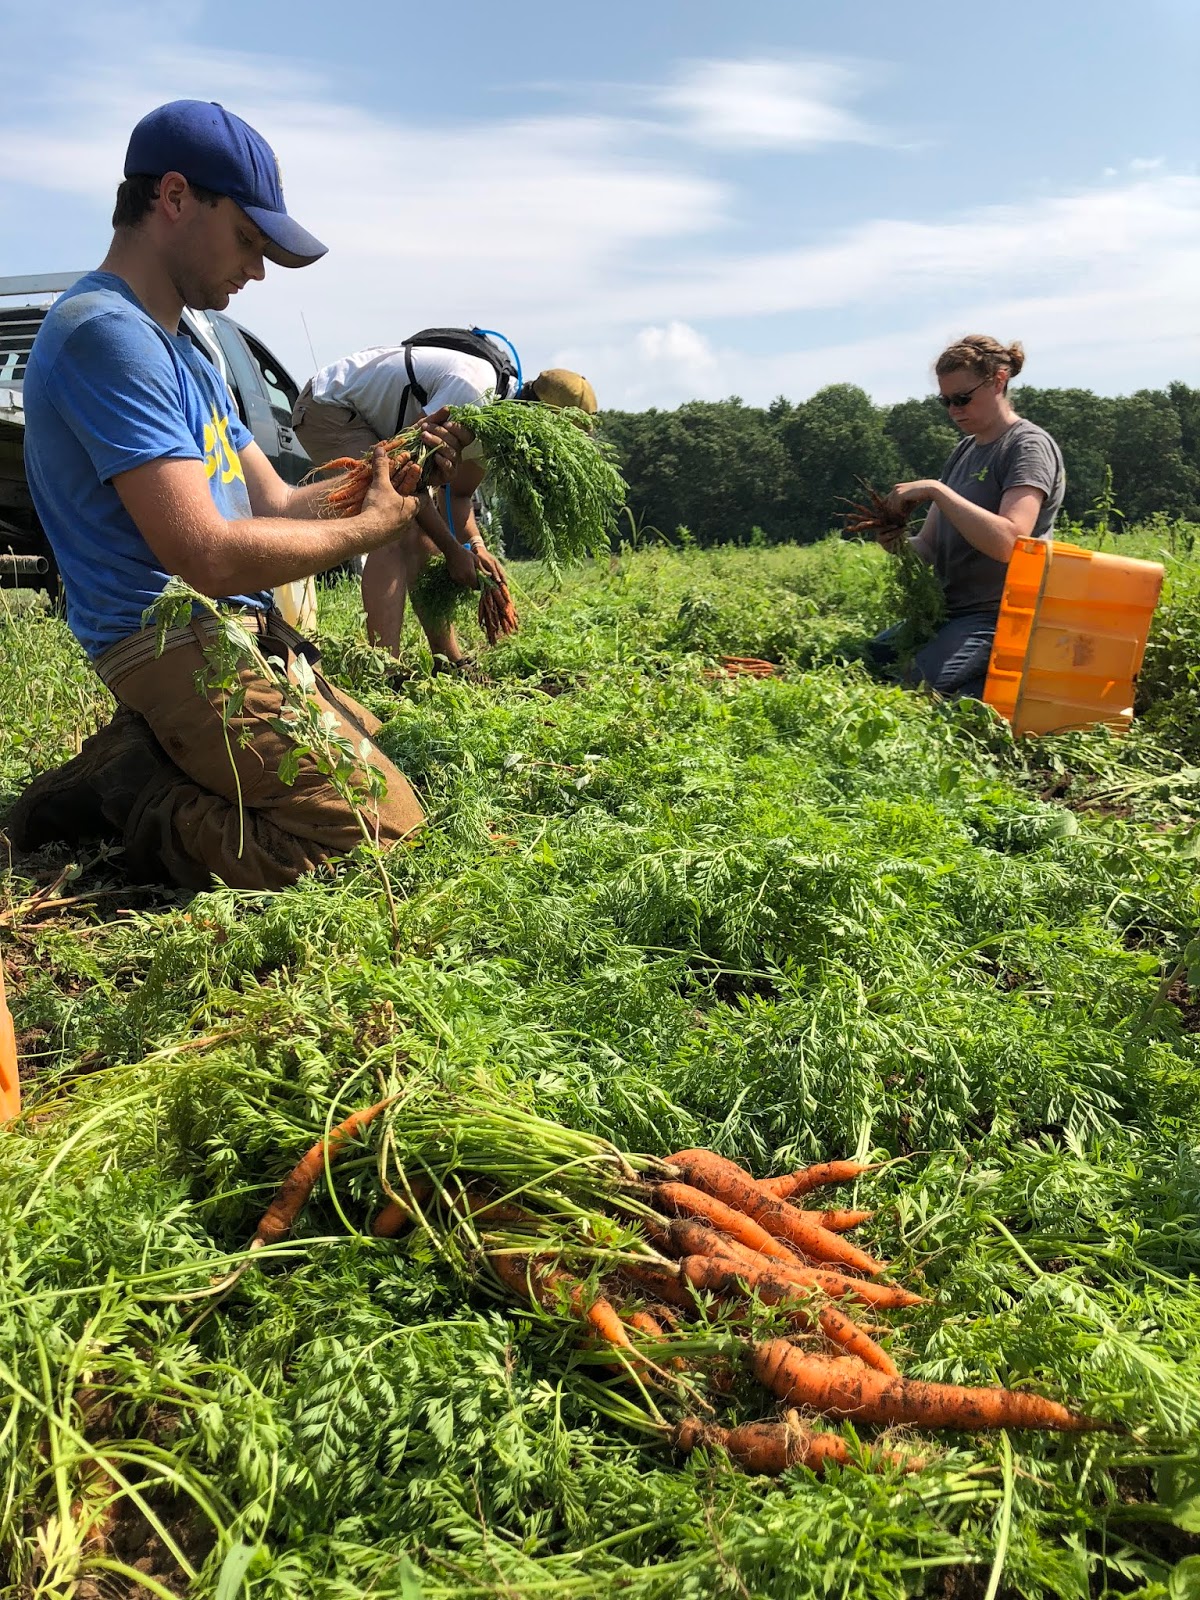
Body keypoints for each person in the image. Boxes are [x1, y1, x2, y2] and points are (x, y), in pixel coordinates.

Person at [4, 99, 467, 892]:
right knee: (373, 836)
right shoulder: (103, 334)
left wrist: (387, 472)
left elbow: (279, 504)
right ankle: (131, 792)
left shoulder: (183, 343)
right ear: (175, 197)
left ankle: (151, 752)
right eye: (248, 241)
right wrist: (369, 532)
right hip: (167, 641)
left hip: (233, 630)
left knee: (397, 763)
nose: (254, 270)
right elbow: (206, 554)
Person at [292, 343, 597, 663]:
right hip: (329, 405)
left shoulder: (497, 430)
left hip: (368, 425)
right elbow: (404, 473)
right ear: (539, 417)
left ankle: (449, 661)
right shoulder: (473, 392)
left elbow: (460, 496)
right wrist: (453, 551)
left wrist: (475, 547)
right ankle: (384, 671)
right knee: (388, 526)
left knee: (418, 533)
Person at [869, 334, 1065, 701]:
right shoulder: (965, 450)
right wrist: (897, 544)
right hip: (950, 611)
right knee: (871, 661)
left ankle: (998, 693)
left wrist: (936, 490)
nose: (954, 410)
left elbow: (1012, 543)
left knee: (914, 690)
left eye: (963, 398)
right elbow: (927, 546)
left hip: (996, 615)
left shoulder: (1026, 446)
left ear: (998, 381)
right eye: (946, 401)